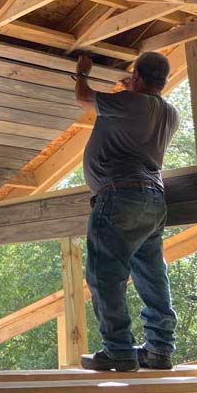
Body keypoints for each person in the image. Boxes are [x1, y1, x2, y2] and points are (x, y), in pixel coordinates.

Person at [74, 51, 180, 372]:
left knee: (105, 275)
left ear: (137, 77)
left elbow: (84, 97)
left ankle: (119, 351)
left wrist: (82, 73)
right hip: (152, 200)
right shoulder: (169, 112)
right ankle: (159, 349)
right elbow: (135, 109)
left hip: (119, 196)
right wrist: (130, 88)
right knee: (150, 273)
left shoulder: (131, 104)